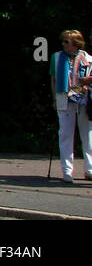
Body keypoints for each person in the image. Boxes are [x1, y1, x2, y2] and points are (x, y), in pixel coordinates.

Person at [50, 29, 92, 184]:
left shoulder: (88, 58)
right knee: (66, 134)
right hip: (63, 97)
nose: (63, 44)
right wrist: (54, 98)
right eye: (63, 41)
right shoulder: (57, 57)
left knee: (87, 135)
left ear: (76, 43)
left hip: (84, 99)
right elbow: (53, 79)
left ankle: (90, 169)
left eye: (66, 41)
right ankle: (67, 171)